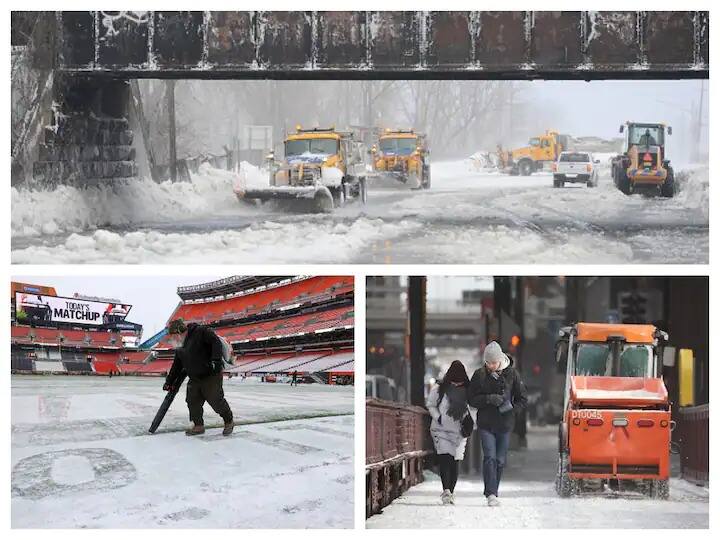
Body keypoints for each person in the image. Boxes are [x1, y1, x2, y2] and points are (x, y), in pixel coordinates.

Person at [468, 341, 528, 507]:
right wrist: (488, 399)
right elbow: (471, 399)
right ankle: (491, 493)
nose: (492, 366)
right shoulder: (479, 375)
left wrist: (512, 409)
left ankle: (494, 489)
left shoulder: (512, 375)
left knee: (500, 461)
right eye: (489, 363)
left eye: (494, 363)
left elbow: (523, 399)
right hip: (485, 423)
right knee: (489, 457)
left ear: (500, 360)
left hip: (505, 424)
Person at [164, 318, 234, 436]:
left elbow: (215, 341)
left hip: (211, 374)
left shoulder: (200, 332)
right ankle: (198, 426)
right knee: (192, 401)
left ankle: (229, 421)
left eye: (173, 336)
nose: (173, 339)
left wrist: (216, 361)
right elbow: (177, 365)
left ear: (178, 332)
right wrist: (169, 382)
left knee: (216, 400)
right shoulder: (180, 347)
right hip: (195, 378)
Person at [426, 360, 475, 505]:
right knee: (445, 459)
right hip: (441, 430)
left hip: (459, 432)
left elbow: (473, 408)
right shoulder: (440, 388)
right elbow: (431, 405)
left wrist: (470, 422)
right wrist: (439, 418)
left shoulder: (468, 390)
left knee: (454, 462)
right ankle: (446, 490)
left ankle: (450, 491)